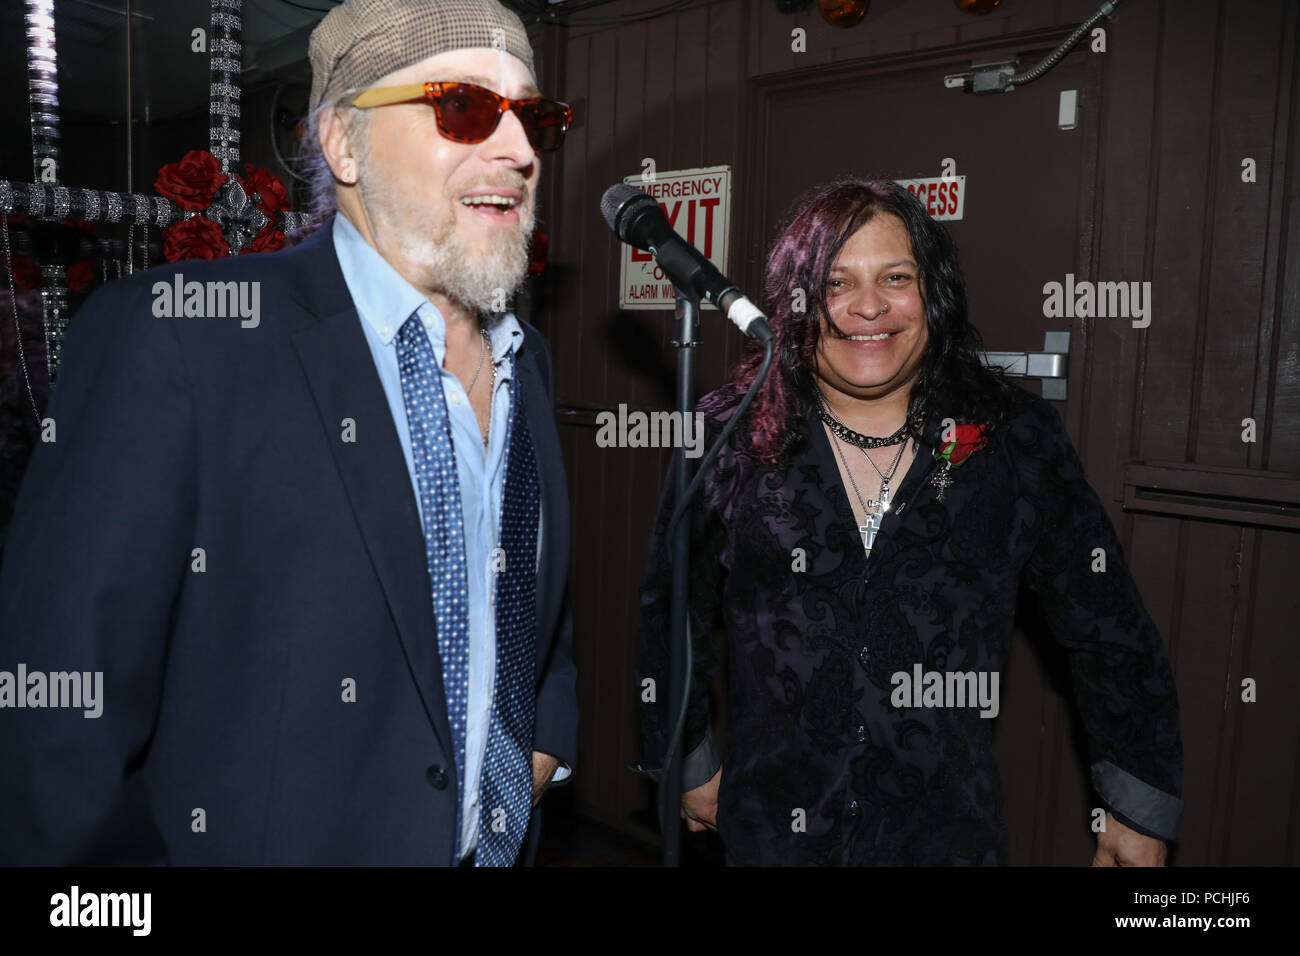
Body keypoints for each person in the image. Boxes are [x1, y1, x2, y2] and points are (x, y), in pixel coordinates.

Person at [0, 0, 576, 867]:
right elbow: (56, 726)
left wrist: (542, 742)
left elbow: (532, 607)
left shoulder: (524, 362)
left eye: (532, 116)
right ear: (344, 144)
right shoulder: (181, 339)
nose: (520, 151)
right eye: (464, 106)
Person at [637, 179, 1183, 866]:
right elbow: (670, 610)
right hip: (774, 826)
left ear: (934, 292)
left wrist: (1135, 807)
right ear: (796, 303)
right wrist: (688, 759)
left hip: (946, 833)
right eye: (838, 283)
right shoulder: (726, 433)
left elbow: (1109, 628)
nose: (870, 306)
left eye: (896, 277)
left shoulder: (1010, 437)